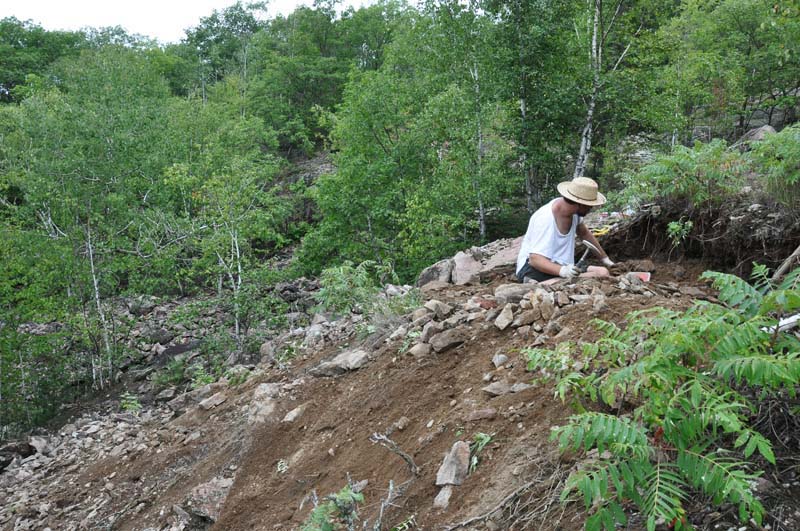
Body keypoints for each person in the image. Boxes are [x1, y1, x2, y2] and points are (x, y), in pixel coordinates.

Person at [516, 177, 614, 284]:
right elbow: (534, 259)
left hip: (563, 265)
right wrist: (563, 271)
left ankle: (555, 281)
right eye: (589, 206)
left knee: (602, 272)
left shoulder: (575, 214)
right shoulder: (545, 219)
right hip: (534, 268)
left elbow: (584, 234)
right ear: (580, 203)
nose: (591, 208)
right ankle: (541, 283)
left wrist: (605, 259)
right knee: (566, 281)